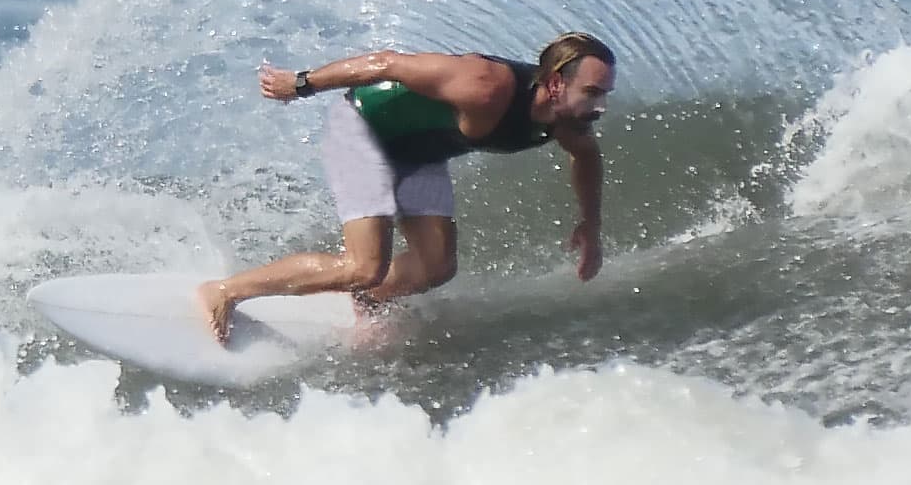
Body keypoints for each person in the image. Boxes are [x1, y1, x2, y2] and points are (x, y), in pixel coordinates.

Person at [196, 32, 617, 344]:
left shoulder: (570, 122)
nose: (600, 106)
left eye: (604, 94)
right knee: (364, 266)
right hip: (363, 130)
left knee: (436, 267)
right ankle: (225, 291)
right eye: (593, 92)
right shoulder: (485, 85)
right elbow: (386, 63)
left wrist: (592, 226)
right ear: (557, 83)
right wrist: (301, 84)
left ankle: (369, 301)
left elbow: (586, 158)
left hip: (420, 153)